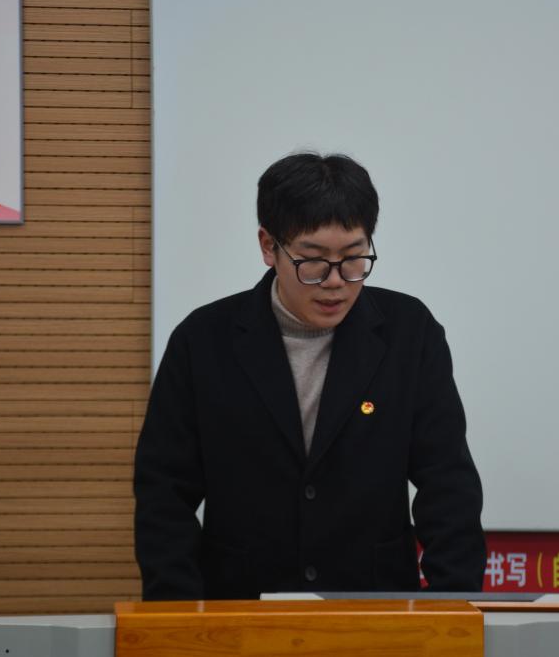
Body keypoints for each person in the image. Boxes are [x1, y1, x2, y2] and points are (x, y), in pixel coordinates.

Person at [134, 152, 485, 600]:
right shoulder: (203, 340)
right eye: (313, 261)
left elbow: (447, 481)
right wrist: (178, 613)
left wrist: (453, 605)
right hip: (241, 604)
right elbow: (165, 492)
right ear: (269, 246)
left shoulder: (410, 333)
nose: (336, 281)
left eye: (354, 258)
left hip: (373, 604)